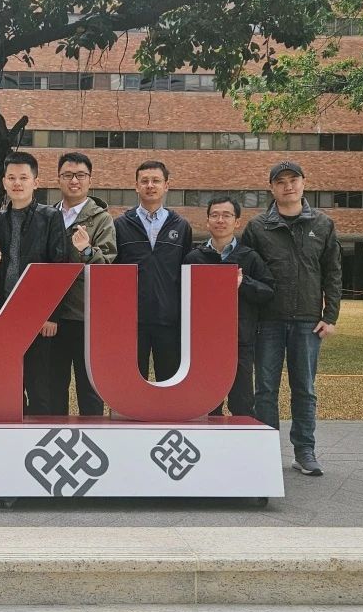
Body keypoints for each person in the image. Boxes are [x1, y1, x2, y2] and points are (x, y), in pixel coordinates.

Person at [242, 161, 342, 477]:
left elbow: (333, 272)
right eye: (281, 181)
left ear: (303, 183)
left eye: (293, 180)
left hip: (308, 322)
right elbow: (246, 275)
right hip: (268, 321)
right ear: (271, 188)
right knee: (265, 389)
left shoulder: (323, 225)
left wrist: (330, 316)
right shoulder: (257, 227)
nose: (288, 186)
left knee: (304, 389)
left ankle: (305, 451)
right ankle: (266, 451)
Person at [0, 151, 69, 415]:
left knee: (39, 385)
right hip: (5, 313)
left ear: (36, 182)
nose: (17, 183)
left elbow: (60, 266)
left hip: (38, 315)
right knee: (10, 384)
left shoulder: (50, 217)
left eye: (23, 177)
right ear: (4, 182)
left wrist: (51, 315)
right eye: (11, 177)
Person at [182, 196, 275, 417]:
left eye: (226, 215)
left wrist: (244, 283)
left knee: (242, 403)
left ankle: (242, 440)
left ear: (237, 222)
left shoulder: (249, 257)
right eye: (214, 215)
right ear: (207, 221)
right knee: (207, 404)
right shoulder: (194, 258)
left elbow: (268, 292)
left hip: (240, 341)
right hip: (203, 344)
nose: (220, 220)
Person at [49, 152, 116, 416]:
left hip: (85, 316)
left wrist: (87, 250)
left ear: (89, 179)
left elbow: (107, 268)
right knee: (53, 386)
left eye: (80, 175)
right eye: (67, 175)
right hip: (51, 316)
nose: (74, 181)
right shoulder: (47, 215)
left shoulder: (101, 219)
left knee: (89, 389)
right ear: (58, 179)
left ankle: (93, 437)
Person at [113, 160, 192, 383]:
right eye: (144, 181)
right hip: (132, 320)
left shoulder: (181, 226)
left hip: (169, 318)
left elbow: (186, 271)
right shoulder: (120, 225)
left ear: (166, 186)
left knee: (170, 383)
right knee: (131, 383)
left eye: (156, 180)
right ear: (136, 186)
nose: (150, 185)